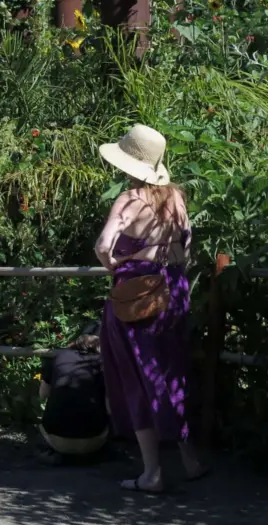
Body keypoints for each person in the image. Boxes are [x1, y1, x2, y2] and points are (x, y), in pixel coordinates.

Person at [95, 125, 207, 493]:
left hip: (137, 296)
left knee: (137, 376)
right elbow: (186, 248)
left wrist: (116, 264)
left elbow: (102, 244)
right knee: (173, 373)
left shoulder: (129, 200)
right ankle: (190, 460)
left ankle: (152, 473)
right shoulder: (176, 199)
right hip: (173, 290)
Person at [38, 322, 108, 465]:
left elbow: (43, 394)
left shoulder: (59, 357)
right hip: (94, 441)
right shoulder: (103, 363)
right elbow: (111, 407)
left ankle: (57, 450)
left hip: (55, 439)